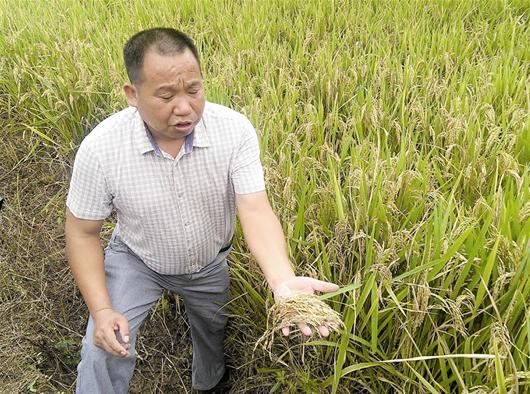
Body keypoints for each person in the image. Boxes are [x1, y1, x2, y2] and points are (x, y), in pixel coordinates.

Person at [65, 27, 339, 394]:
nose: (184, 107)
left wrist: (282, 279)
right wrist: (101, 312)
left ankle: (209, 385)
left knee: (213, 334)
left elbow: (255, 209)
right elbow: (82, 232)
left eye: (193, 90)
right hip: (136, 259)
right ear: (132, 94)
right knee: (104, 348)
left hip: (208, 263)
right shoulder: (101, 149)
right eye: (166, 95)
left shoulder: (234, 131)